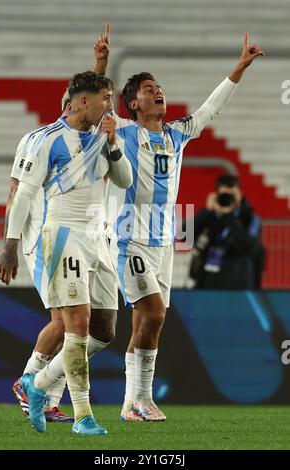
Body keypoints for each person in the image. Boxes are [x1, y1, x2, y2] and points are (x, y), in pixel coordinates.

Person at [106, 32, 264, 421]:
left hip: (161, 243)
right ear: (132, 104)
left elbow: (211, 110)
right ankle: (143, 397)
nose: (158, 92)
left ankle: (130, 405)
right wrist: (101, 64)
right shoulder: (123, 132)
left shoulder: (177, 134)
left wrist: (239, 67)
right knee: (155, 313)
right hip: (129, 238)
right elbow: (95, 110)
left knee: (146, 319)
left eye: (158, 87)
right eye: (148, 89)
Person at [0, 71, 132, 435]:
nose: (111, 106)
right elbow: (21, 194)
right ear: (83, 102)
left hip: (98, 239)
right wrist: (9, 246)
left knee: (103, 331)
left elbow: (125, 180)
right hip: (61, 235)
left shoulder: (102, 137)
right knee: (74, 324)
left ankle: (35, 384)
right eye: (106, 98)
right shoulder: (45, 139)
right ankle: (83, 416)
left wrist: (114, 142)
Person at [188, 173, 265, 289]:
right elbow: (184, 238)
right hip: (208, 283)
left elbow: (249, 245)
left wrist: (228, 216)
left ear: (240, 194)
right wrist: (206, 212)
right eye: (224, 195)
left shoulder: (251, 218)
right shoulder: (210, 215)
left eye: (232, 195)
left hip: (238, 284)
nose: (228, 199)